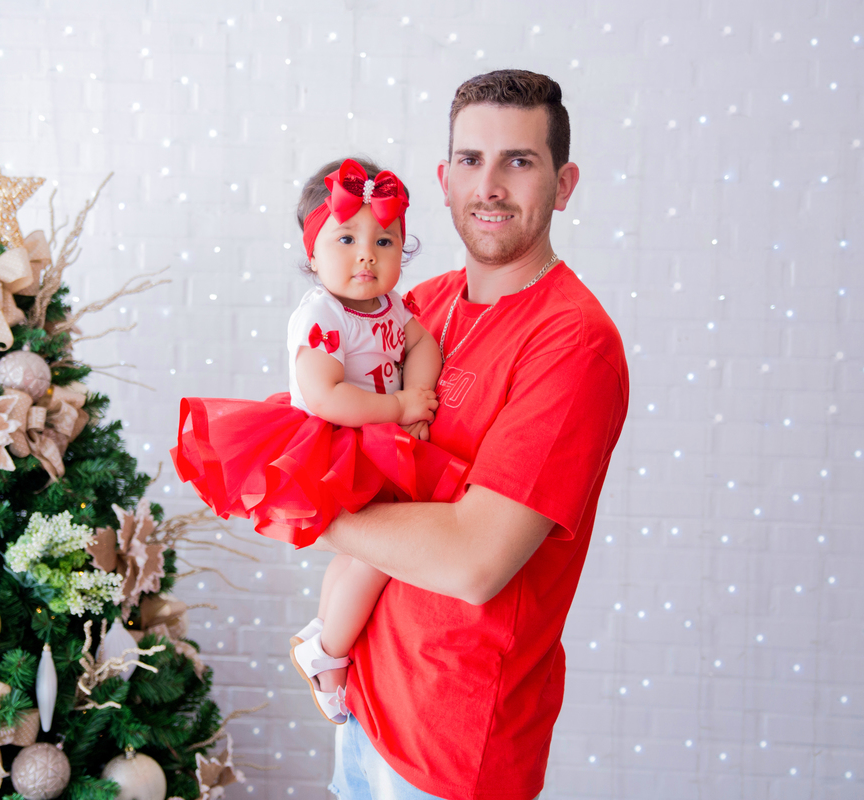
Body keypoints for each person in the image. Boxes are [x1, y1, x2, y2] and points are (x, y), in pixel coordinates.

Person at [314, 70, 630, 800]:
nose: (489, 185)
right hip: (365, 709)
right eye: (470, 160)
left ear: (564, 181)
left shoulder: (573, 344)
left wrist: (306, 507)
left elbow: (474, 562)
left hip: (456, 752)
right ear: (443, 179)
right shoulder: (416, 306)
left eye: (519, 161)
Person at [170, 158, 471, 725]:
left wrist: (420, 393)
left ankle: (323, 630)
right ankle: (328, 654)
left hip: (376, 435)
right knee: (383, 555)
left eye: (384, 240)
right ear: (312, 255)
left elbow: (422, 343)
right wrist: (397, 406)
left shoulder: (391, 306)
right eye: (346, 238)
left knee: (366, 549)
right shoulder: (322, 313)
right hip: (330, 442)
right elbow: (327, 394)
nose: (367, 254)